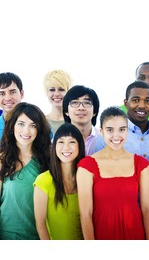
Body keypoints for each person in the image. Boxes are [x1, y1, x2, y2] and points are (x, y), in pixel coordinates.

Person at [77, 106, 149, 240]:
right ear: (101, 131)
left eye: (122, 130)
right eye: (110, 130)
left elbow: (147, 209)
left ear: (127, 132)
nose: (116, 136)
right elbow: (85, 214)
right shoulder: (87, 166)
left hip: (135, 236)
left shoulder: (141, 164)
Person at [0, 103, 51, 239]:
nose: (26, 131)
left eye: (33, 125)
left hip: (38, 236)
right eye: (21, 124)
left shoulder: (47, 161)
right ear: (12, 126)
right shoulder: (2, 160)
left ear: (39, 130)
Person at [95, 81, 149, 168]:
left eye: (148, 101)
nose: (142, 106)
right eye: (136, 100)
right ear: (126, 103)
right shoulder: (108, 137)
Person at [33, 123, 85, 240]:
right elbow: (40, 225)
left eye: (72, 142)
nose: (66, 147)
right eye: (61, 142)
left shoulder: (86, 179)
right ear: (54, 146)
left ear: (80, 146)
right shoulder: (43, 181)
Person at [62, 85, 102, 156]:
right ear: (66, 111)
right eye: (75, 103)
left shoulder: (103, 139)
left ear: (95, 111)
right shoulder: (58, 141)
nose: (81, 108)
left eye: (87, 103)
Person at [43, 69, 73, 134]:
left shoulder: (75, 121)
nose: (56, 94)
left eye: (61, 89)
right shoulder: (40, 121)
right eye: (52, 90)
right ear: (46, 92)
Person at [0, 72, 24, 140]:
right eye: (1, 93)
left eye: (12, 92)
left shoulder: (38, 124)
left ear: (21, 94)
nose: (7, 98)